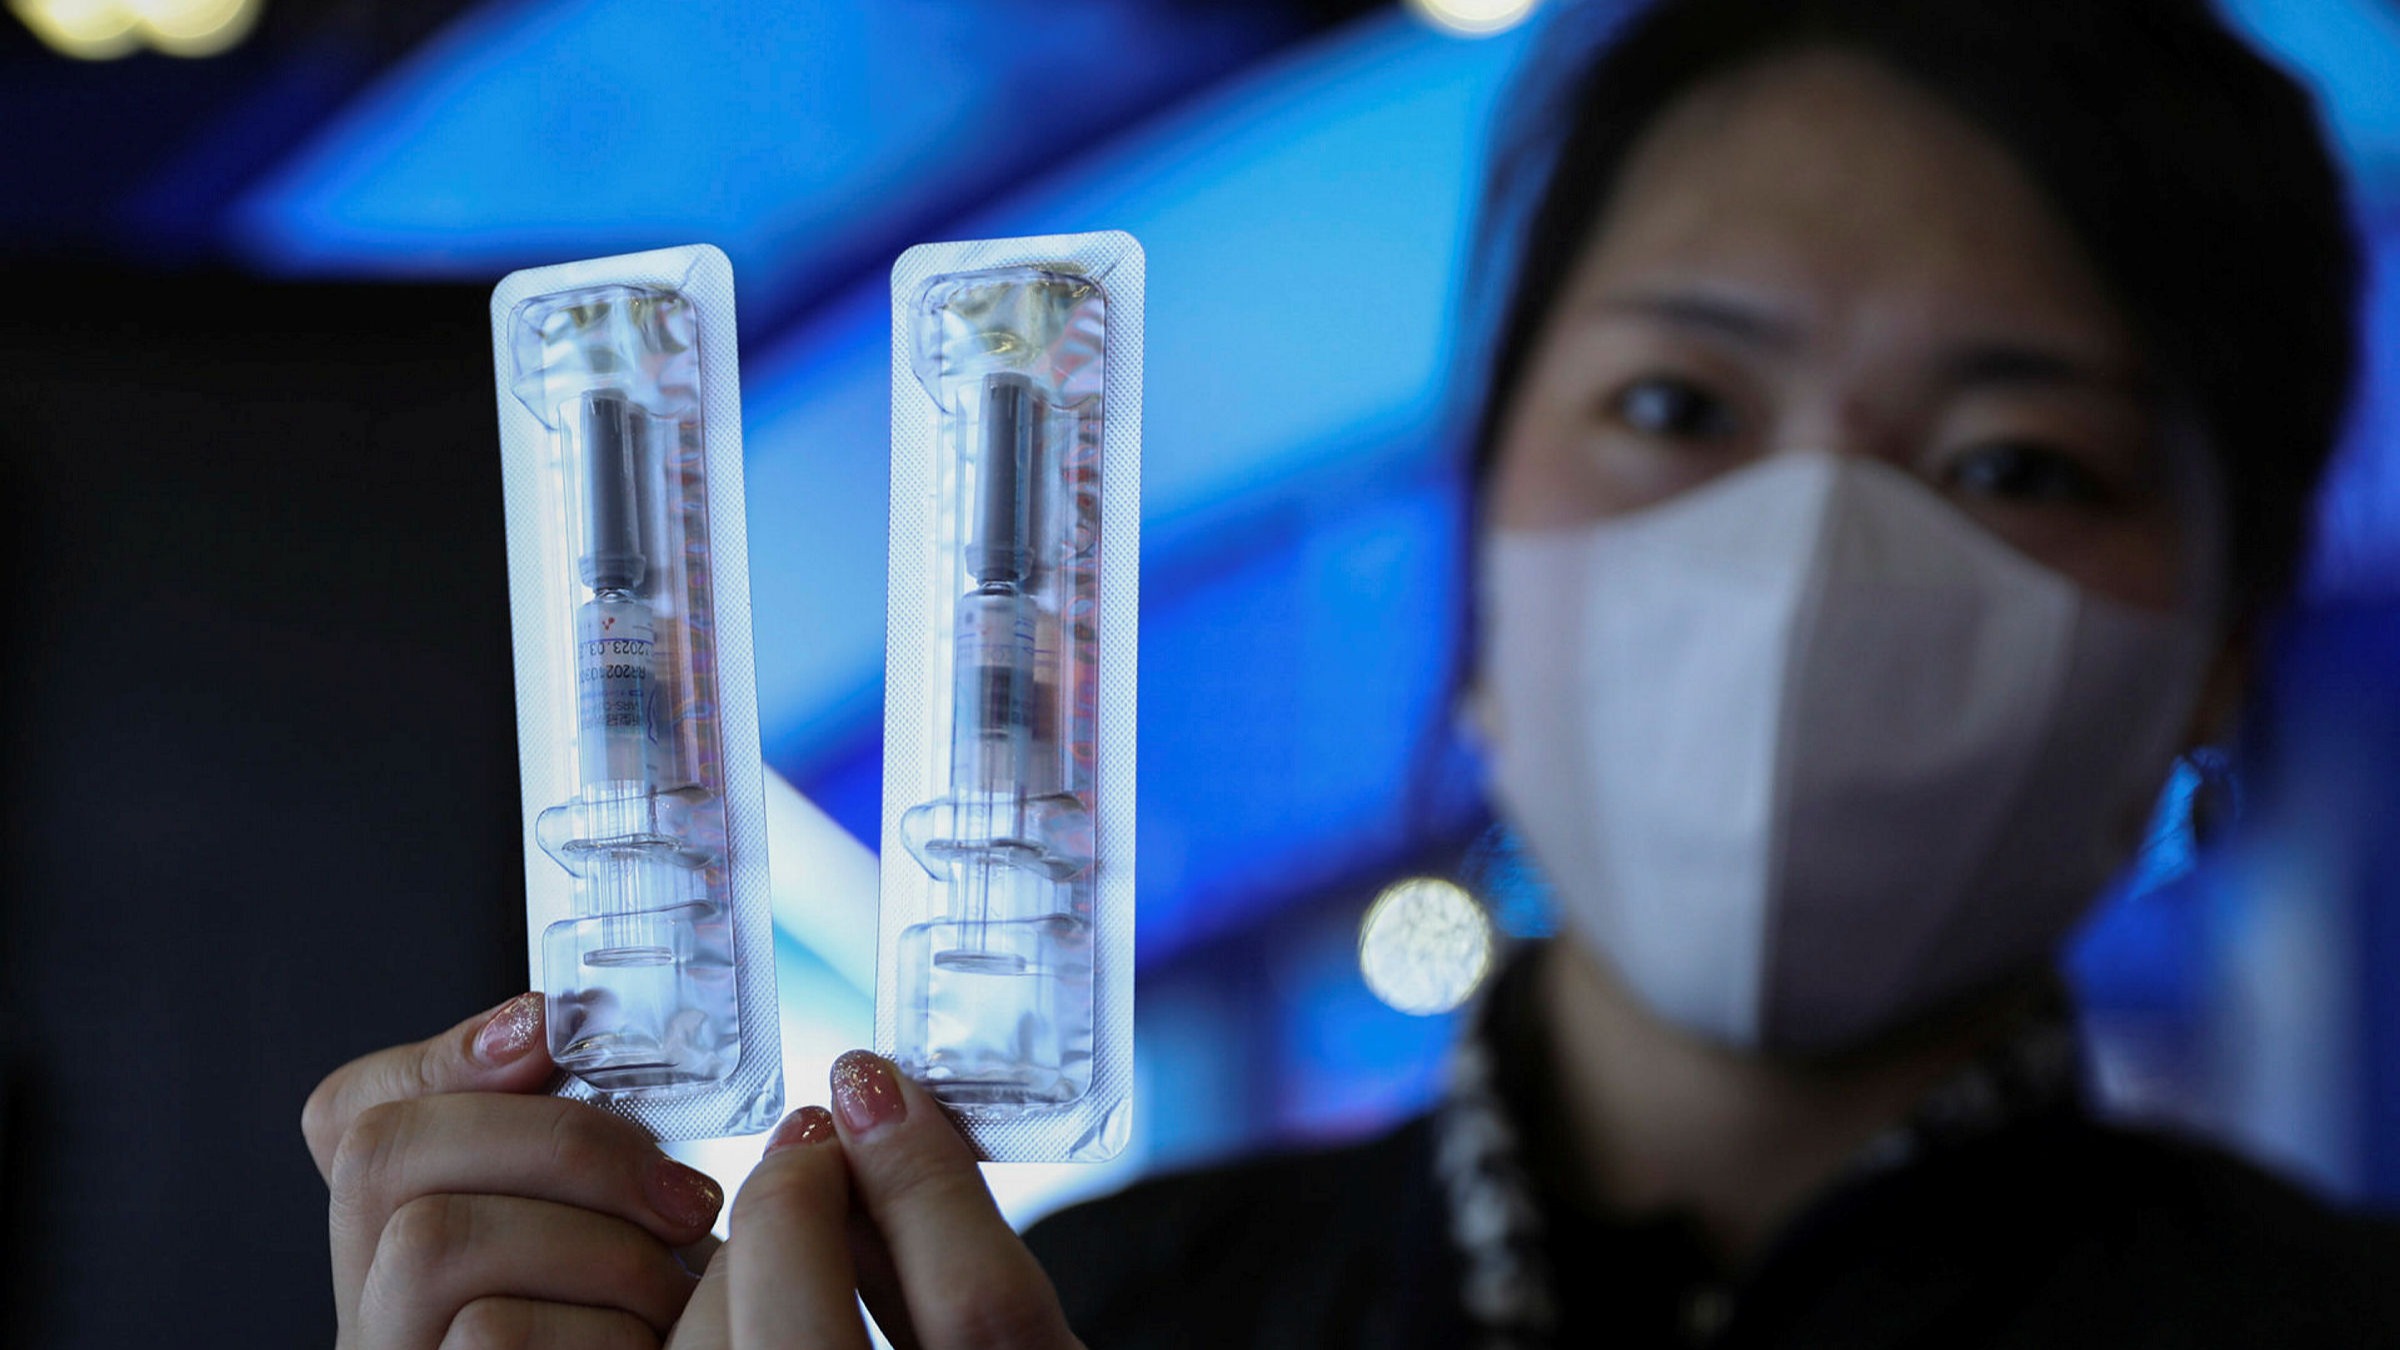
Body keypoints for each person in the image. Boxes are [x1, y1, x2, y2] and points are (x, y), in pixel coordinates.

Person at [300, 0, 2400, 1345]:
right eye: (1679, 407)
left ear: (2223, 648)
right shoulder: (1066, 1310)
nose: (1807, 559)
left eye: (2016, 462)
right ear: (1484, 541)